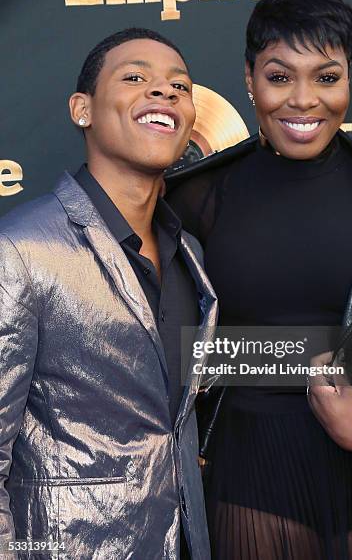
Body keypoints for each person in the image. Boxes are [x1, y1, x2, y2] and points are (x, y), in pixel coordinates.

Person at [166, 0, 352, 559]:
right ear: (249, 79)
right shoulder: (193, 200)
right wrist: (283, 354)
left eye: (326, 77)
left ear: (349, 81)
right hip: (252, 477)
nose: (304, 100)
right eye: (280, 76)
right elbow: (159, 347)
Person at [0, 28, 217, 559]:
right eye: (135, 78)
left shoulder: (190, 255)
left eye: (179, 86)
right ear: (83, 110)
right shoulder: (21, 250)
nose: (165, 93)